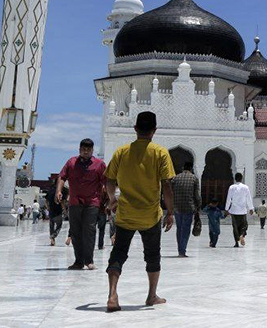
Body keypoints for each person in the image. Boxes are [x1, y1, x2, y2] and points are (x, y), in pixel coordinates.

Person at [104, 111, 175, 312]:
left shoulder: (121, 152)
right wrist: (170, 212)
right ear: (154, 131)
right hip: (150, 216)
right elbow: (167, 185)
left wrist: (112, 199)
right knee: (152, 256)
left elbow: (109, 179)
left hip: (126, 214)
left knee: (118, 253)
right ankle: (151, 296)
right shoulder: (160, 153)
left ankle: (112, 295)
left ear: (135, 128)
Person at [57, 137, 107, 271]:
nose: (86, 152)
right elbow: (62, 176)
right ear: (79, 150)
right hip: (74, 202)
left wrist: (108, 198)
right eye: (83, 150)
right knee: (76, 232)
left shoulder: (99, 164)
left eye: (88, 150)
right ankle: (78, 261)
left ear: (92, 150)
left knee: (89, 231)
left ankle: (89, 260)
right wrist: (59, 191)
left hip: (92, 202)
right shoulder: (71, 162)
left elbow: (106, 181)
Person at [171, 162, 200, 258]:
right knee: (186, 229)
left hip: (177, 207)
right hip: (189, 206)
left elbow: (170, 192)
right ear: (191, 169)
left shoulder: (175, 178)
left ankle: (180, 249)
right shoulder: (194, 178)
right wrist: (198, 207)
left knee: (179, 228)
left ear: (183, 168)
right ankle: (182, 250)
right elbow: (197, 195)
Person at [224, 172, 253, 247]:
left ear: (235, 179)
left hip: (233, 211)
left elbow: (228, 199)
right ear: (241, 179)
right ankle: (242, 235)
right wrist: (251, 208)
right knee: (244, 225)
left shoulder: (231, 187)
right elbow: (248, 198)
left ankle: (236, 242)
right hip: (242, 211)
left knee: (235, 227)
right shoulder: (245, 187)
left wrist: (226, 209)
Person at [48, 177, 67, 246]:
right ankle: (53, 236)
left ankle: (52, 240)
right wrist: (65, 210)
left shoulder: (50, 190)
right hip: (58, 212)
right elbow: (62, 202)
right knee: (59, 225)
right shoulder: (62, 191)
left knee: (51, 226)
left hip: (51, 211)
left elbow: (46, 201)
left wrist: (48, 208)